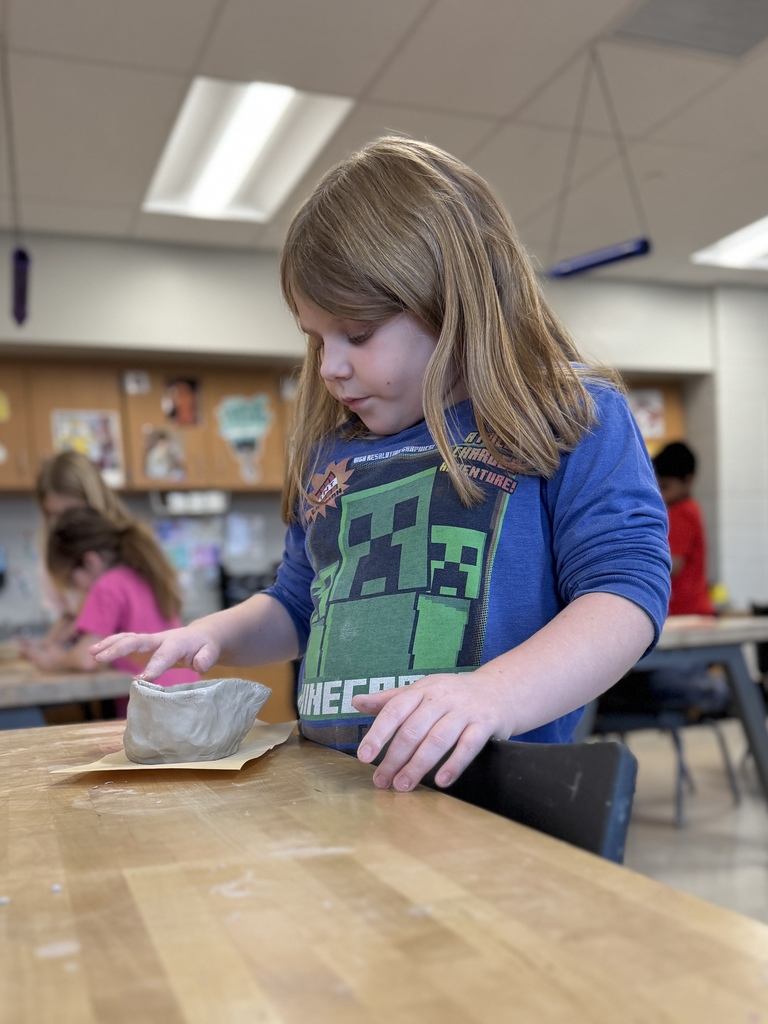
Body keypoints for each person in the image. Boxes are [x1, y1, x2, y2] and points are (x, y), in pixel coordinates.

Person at [91, 136, 671, 791]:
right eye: (316, 338)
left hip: (486, 802)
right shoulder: (332, 450)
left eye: (358, 334)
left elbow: (624, 594)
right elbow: (295, 603)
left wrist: (494, 695)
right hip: (333, 792)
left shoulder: (570, 414)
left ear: (453, 303)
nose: (330, 366)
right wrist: (212, 635)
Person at [24, 507, 199, 716]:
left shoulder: (106, 585)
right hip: (189, 697)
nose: (78, 589)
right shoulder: (145, 574)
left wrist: (55, 661)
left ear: (90, 562)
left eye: (72, 579)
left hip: (154, 709)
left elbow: (87, 659)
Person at [652, 441, 714, 617]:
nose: (661, 495)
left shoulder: (682, 511)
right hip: (692, 609)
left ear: (687, 480)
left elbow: (674, 564)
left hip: (686, 611)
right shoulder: (689, 509)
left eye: (665, 487)